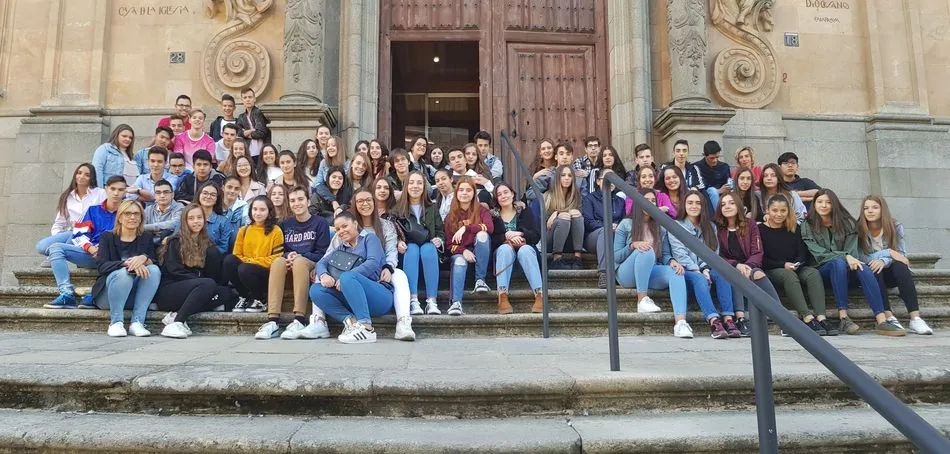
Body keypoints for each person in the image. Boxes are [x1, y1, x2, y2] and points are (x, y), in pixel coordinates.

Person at [801, 189, 902, 336]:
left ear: (834, 204)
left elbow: (853, 253)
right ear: (814, 204)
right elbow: (818, 254)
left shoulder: (847, 223)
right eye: (820, 202)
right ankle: (843, 317)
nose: (824, 205)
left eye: (828, 202)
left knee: (864, 268)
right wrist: (845, 257)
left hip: (847, 271)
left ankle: (881, 321)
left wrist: (848, 257)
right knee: (837, 263)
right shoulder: (807, 224)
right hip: (822, 272)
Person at [614, 189, 693, 336]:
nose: (650, 204)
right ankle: (642, 300)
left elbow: (663, 255)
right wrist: (632, 246)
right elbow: (616, 257)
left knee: (677, 272)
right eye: (646, 200)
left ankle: (681, 323)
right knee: (646, 250)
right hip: (626, 274)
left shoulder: (659, 227)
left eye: (653, 201)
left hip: (650, 271)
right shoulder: (625, 224)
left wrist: (672, 261)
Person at [257, 187, 332, 340]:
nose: (296, 203)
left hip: (310, 264)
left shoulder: (320, 223)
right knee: (278, 261)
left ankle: (299, 319)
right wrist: (288, 255)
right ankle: (272, 321)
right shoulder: (285, 224)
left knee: (298, 262)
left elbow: (322, 253)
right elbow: (281, 250)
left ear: (308, 201)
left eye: (300, 199)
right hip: (291, 264)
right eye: (292, 200)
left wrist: (299, 256)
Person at [44, 176, 128, 309]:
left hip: (113, 258)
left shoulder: (129, 212)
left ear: (125, 191)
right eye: (113, 189)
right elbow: (78, 233)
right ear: (106, 189)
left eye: (120, 189)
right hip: (92, 254)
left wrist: (104, 249)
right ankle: (67, 294)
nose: (116, 193)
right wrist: (90, 248)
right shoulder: (93, 210)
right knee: (55, 247)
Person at [309, 211, 392, 344]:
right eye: (337, 229)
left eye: (344, 226)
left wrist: (348, 277)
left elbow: (373, 262)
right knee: (316, 290)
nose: (341, 231)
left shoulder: (369, 239)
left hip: (378, 296)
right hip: (352, 300)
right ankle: (351, 322)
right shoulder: (340, 249)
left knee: (348, 277)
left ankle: (367, 329)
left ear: (355, 224)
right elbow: (321, 263)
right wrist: (324, 275)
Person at [155, 203, 235, 339]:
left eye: (199, 217)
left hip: (198, 289)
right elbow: (174, 271)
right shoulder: (175, 241)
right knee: (207, 284)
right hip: (171, 289)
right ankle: (177, 322)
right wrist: (199, 279)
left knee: (227, 293)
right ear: (185, 221)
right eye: (191, 218)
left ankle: (176, 314)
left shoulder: (207, 243)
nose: (196, 221)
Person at [760, 195, 836, 336]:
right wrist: (784, 265)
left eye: (783, 211)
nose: (779, 214)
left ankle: (821, 317)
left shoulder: (795, 228)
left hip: (796, 267)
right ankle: (807, 317)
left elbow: (803, 253)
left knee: (813, 274)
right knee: (789, 275)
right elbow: (762, 258)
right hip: (773, 269)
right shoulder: (760, 230)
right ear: (767, 211)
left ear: (788, 211)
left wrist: (797, 264)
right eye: (774, 210)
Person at [668, 190, 740, 339]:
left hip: (706, 268)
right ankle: (714, 321)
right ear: (684, 205)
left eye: (698, 203)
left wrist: (706, 268)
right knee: (699, 278)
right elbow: (680, 255)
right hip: (687, 270)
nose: (694, 206)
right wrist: (699, 270)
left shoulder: (711, 227)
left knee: (722, 274)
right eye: (690, 203)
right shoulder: (676, 226)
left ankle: (728, 319)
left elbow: (713, 252)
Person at [858, 195, 933, 334]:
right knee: (873, 267)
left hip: (893, 273)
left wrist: (884, 260)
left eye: (875, 207)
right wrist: (889, 252)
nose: (870, 211)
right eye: (866, 208)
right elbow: (861, 256)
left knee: (901, 266)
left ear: (882, 210)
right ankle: (889, 316)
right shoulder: (858, 228)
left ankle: (915, 318)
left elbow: (902, 256)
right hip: (874, 275)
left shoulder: (895, 226)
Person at [348, 187, 415, 340]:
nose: (365, 204)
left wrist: (388, 267)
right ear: (354, 205)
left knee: (399, 274)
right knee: (320, 279)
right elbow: (332, 251)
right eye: (360, 201)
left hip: (379, 272)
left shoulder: (386, 225)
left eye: (368, 200)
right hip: (355, 273)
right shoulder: (349, 225)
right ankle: (318, 321)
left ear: (374, 202)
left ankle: (403, 323)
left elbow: (391, 251)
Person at [714, 191, 781, 336]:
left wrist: (749, 266)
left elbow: (757, 252)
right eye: (723, 204)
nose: (727, 207)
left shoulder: (750, 225)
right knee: (736, 274)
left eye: (731, 203)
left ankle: (780, 313)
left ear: (739, 206)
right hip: (731, 267)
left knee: (758, 274)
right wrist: (736, 264)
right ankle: (741, 319)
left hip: (750, 264)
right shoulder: (718, 228)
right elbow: (718, 255)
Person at [91, 200, 160, 337]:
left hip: (134, 296)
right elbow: (102, 266)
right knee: (124, 274)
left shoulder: (145, 237)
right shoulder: (108, 237)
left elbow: (155, 260)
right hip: (109, 295)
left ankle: (137, 322)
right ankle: (115, 322)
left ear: (141, 218)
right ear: (120, 217)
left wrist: (144, 259)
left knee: (154, 270)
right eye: (128, 213)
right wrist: (126, 264)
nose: (132, 217)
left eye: (136, 214)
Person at [393, 171, 444, 315]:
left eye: (419, 183)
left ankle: (431, 301)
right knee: (413, 248)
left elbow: (440, 231)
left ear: (424, 187)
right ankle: (413, 300)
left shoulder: (432, 207)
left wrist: (439, 240)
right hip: (408, 251)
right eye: (411, 182)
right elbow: (392, 232)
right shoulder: (397, 209)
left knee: (428, 248)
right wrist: (398, 242)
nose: (415, 186)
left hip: (429, 248)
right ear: (406, 186)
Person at [37, 164, 106, 268]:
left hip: (92, 233)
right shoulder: (67, 196)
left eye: (87, 175)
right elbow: (59, 223)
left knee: (74, 235)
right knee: (41, 247)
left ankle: (56, 255)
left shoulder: (100, 193)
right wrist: (58, 237)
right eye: (79, 173)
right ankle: (57, 252)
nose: (82, 177)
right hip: (72, 233)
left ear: (91, 178)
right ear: (75, 175)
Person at [224, 195, 284, 314]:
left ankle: (259, 299)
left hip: (265, 272)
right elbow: (237, 254)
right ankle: (244, 297)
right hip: (245, 268)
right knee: (229, 260)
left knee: (244, 268)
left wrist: (252, 261)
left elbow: (277, 257)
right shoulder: (244, 230)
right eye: (255, 209)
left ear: (269, 212)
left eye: (262, 210)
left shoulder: (276, 230)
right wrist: (248, 262)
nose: (258, 213)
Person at [445, 177, 494, 315]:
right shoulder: (450, 216)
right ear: (456, 193)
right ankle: (456, 303)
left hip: (479, 251)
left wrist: (467, 228)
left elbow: (489, 228)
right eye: (461, 190)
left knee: (482, 235)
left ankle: (480, 280)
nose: (464, 193)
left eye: (468, 190)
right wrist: (463, 251)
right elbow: (449, 245)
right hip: (461, 252)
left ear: (474, 193)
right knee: (460, 261)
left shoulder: (482, 210)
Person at [491, 183, 544, 313]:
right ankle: (502, 295)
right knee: (504, 249)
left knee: (525, 249)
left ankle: (540, 294)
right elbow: (492, 240)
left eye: (506, 192)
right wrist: (506, 236)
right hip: (504, 258)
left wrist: (520, 234)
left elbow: (536, 235)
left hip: (525, 255)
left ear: (512, 194)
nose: (503, 196)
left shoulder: (525, 211)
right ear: (496, 199)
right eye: (499, 194)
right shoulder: (493, 216)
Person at [582, 170, 625, 288]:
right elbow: (588, 222)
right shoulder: (589, 199)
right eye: (606, 178)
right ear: (598, 181)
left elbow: (624, 220)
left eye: (613, 179)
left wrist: (618, 226)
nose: (610, 182)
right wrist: (607, 226)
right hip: (593, 237)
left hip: (616, 235)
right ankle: (604, 273)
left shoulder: (620, 201)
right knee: (605, 232)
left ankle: (622, 274)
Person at [545, 165, 584, 270]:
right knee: (564, 218)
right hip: (551, 241)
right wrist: (558, 215)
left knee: (576, 213)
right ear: (558, 178)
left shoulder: (577, 197)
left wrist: (558, 212)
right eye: (563, 175)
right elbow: (545, 225)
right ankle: (556, 259)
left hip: (572, 241)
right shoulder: (548, 196)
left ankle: (577, 258)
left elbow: (580, 220)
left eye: (570, 176)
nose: (567, 178)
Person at [195, 182, 234, 254]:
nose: (208, 196)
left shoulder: (223, 222)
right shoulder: (188, 215)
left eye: (213, 195)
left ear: (217, 199)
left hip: (211, 258)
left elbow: (223, 248)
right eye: (205, 193)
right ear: (199, 195)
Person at [695, 140, 731, 212]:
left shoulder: (724, 166)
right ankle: (718, 217)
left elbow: (728, 182)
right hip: (705, 197)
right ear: (704, 155)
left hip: (724, 196)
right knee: (712, 191)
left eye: (717, 157)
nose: (715, 160)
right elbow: (700, 187)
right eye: (711, 158)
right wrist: (718, 191)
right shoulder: (696, 167)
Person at [235, 87, 270, 161]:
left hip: (261, 151)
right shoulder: (241, 117)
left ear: (254, 99)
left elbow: (261, 133)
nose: (247, 99)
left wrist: (246, 133)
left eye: (250, 97)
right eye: (245, 97)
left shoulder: (258, 112)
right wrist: (252, 130)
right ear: (242, 100)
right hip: (248, 151)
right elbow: (239, 132)